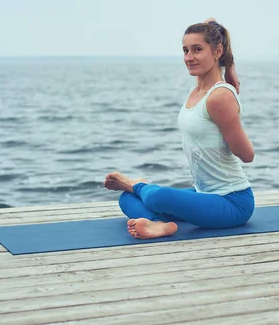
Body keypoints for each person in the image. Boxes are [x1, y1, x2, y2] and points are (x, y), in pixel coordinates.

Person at [104, 18, 255, 239]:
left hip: (232, 201)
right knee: (127, 199)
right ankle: (158, 224)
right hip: (204, 194)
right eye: (185, 50)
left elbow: (247, 155)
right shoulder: (197, 91)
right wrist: (230, 65)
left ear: (217, 51)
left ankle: (136, 185)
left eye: (197, 49)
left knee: (157, 197)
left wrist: (231, 126)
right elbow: (216, 30)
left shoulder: (220, 97)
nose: (189, 57)